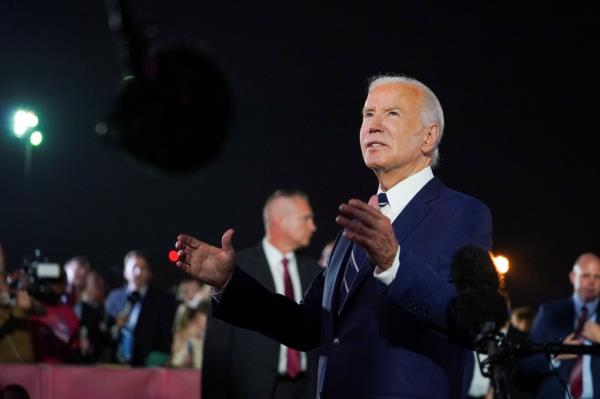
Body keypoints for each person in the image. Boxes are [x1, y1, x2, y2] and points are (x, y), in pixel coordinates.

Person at [175, 75, 492, 398]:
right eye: (368, 114)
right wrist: (229, 283)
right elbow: (307, 325)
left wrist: (394, 263)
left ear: (429, 137)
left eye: (392, 114)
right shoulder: (354, 229)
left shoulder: (462, 213)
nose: (374, 125)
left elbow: (469, 321)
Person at [202, 189, 322, 399]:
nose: (313, 226)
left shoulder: (315, 271)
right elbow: (217, 349)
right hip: (253, 391)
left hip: (307, 391)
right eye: (306, 219)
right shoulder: (237, 268)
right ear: (280, 220)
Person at [521, 252, 600, 398]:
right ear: (572, 277)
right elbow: (526, 365)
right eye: (585, 275)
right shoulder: (549, 313)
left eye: (597, 277)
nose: (591, 282)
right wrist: (554, 356)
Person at [105, 250, 176, 366]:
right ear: (125, 272)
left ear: (149, 273)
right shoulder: (114, 297)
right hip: (116, 363)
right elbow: (107, 330)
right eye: (134, 267)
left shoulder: (162, 300)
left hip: (149, 364)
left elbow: (166, 334)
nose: (138, 272)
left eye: (143, 268)